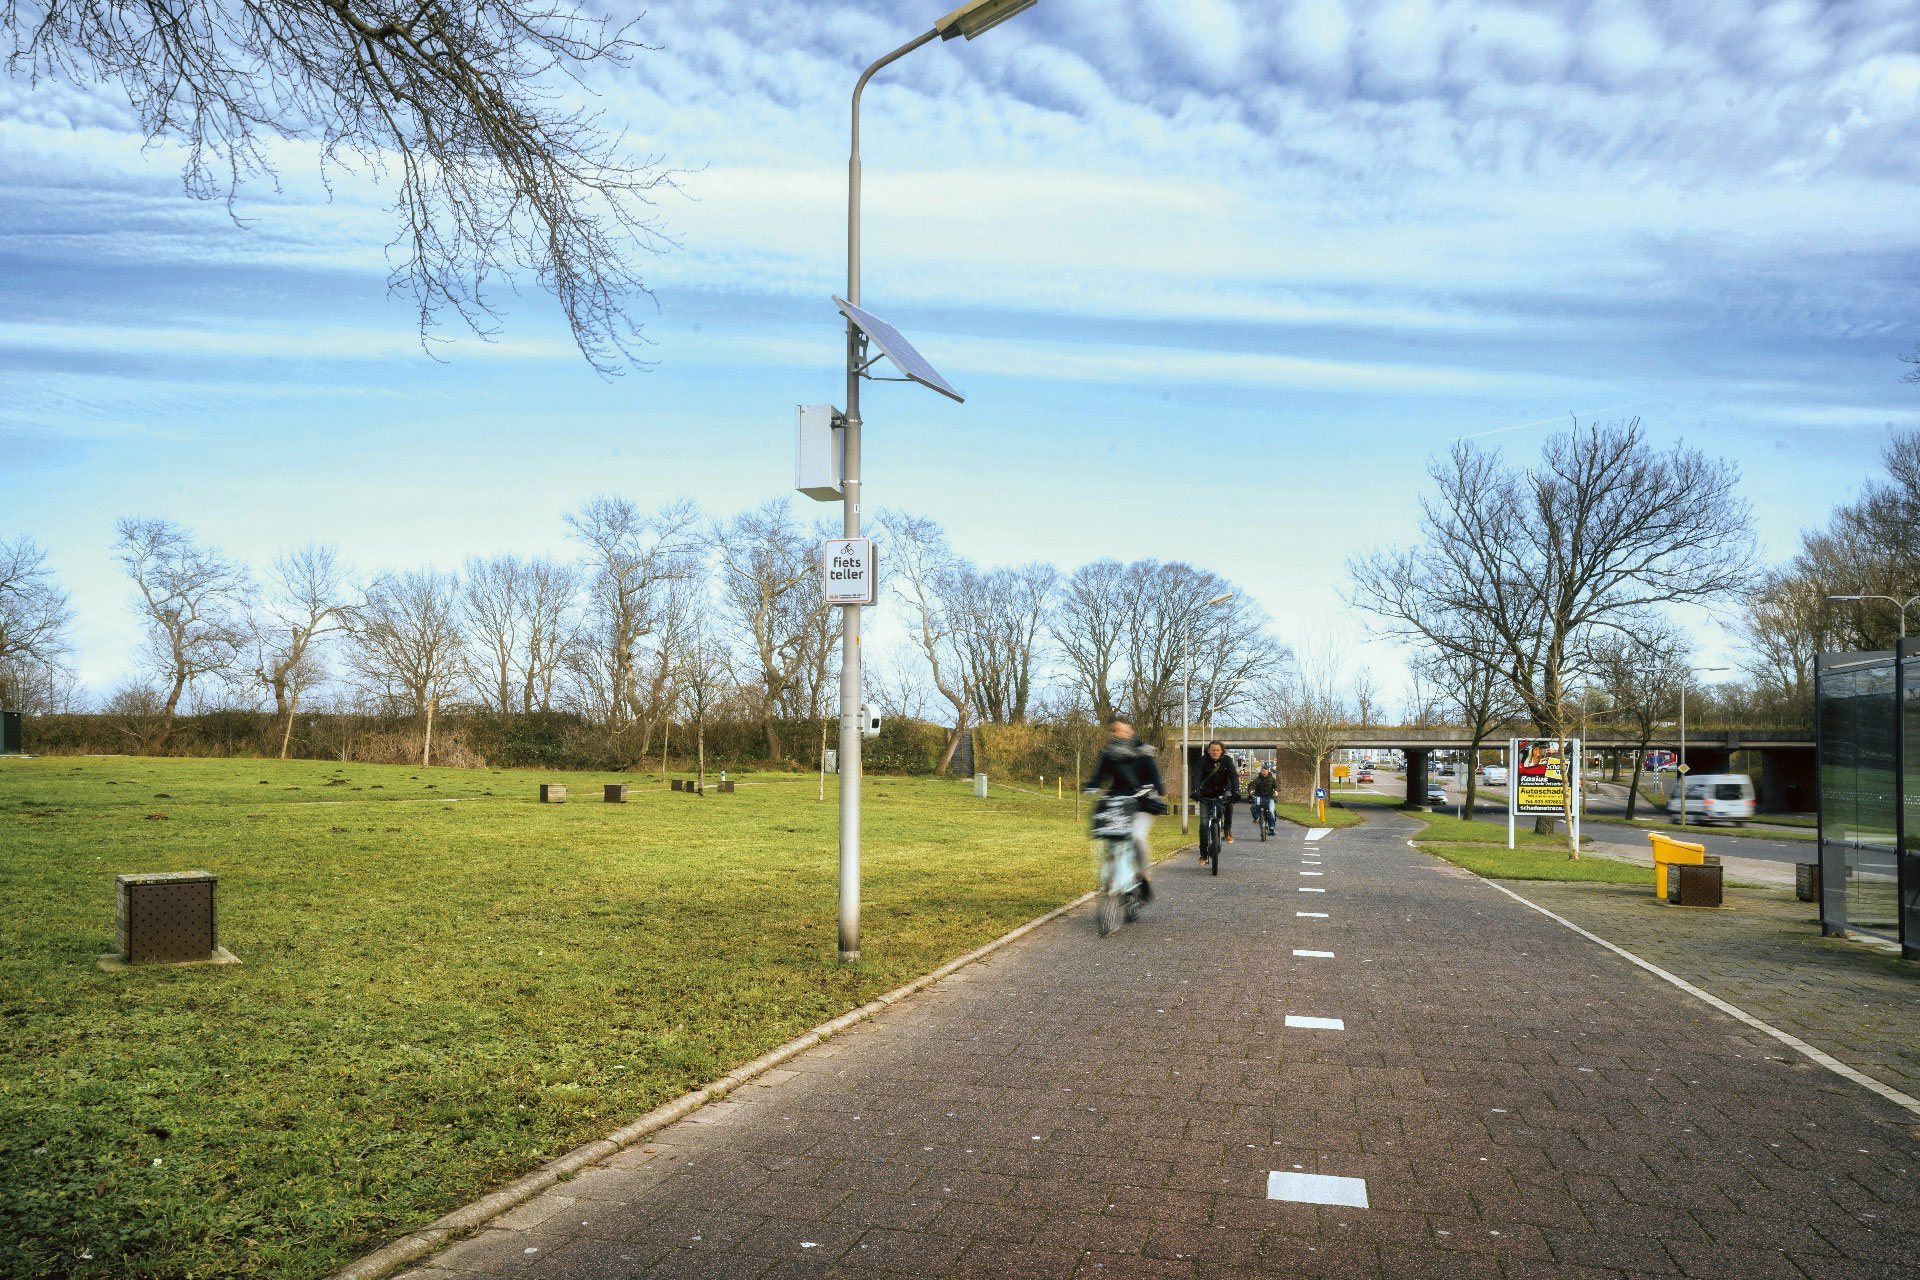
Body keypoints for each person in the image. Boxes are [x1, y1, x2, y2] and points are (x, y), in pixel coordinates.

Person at [1083, 713, 1165, 900]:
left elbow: (1154, 776)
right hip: (1119, 801)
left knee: (1136, 836)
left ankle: (1144, 875)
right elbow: (1099, 776)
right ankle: (1113, 879)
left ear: (1130, 729)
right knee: (1111, 839)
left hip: (1143, 802)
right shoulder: (1108, 754)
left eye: (1123, 729)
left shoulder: (1144, 752)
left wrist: (1153, 787)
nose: (1119, 733)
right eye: (1115, 730)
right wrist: (1092, 786)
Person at [1192, 738, 1240, 860]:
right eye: (1213, 750)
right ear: (1208, 751)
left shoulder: (1227, 760)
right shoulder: (1202, 760)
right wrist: (1195, 791)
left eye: (1217, 750)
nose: (1215, 752)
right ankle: (1203, 854)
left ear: (1222, 751)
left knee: (1229, 804)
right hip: (1206, 792)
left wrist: (1235, 792)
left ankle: (1227, 830)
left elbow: (1233, 776)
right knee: (1203, 824)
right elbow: (1196, 775)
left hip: (1223, 790)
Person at [1248, 762, 1278, 835]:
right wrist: (1251, 791)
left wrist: (1276, 791)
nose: (1264, 773)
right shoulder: (1257, 780)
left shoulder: (1272, 779)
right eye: (1263, 771)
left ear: (1268, 771)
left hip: (1270, 797)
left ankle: (1272, 828)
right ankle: (1257, 818)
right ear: (1261, 771)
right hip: (1260, 796)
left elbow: (1276, 787)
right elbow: (1253, 786)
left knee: (1271, 811)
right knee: (1254, 806)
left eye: (1266, 771)